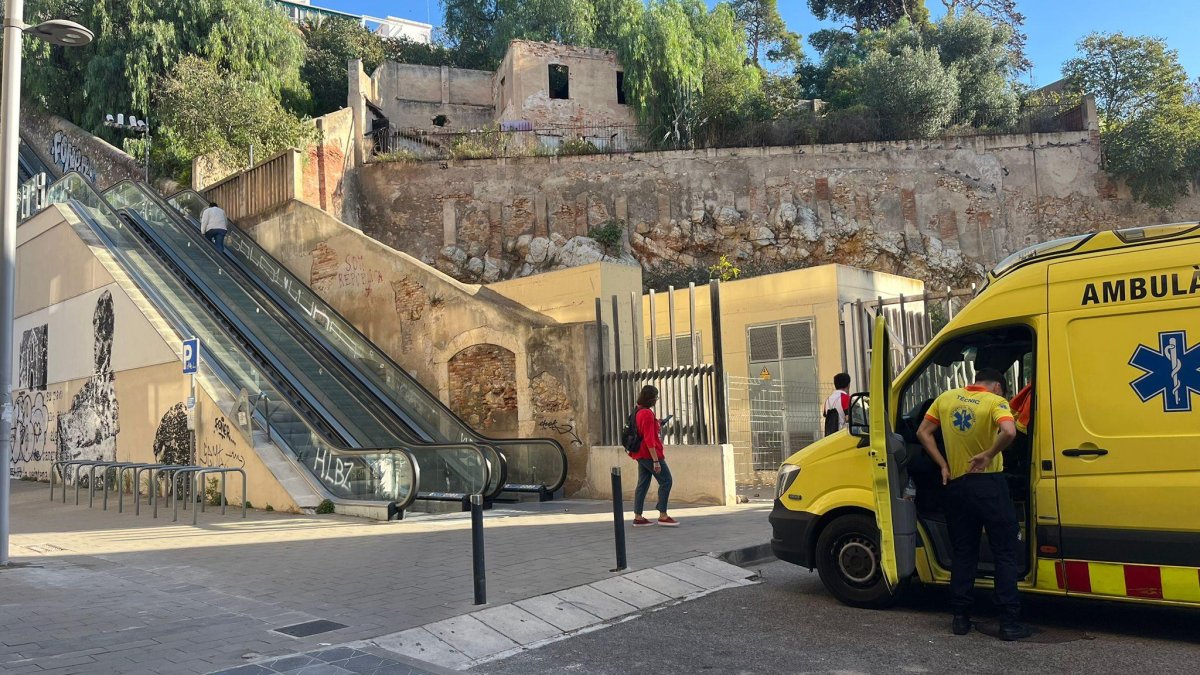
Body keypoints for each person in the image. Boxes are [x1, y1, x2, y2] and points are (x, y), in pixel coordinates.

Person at [915, 368, 1029, 641]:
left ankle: (960, 618)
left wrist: (943, 464)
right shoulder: (995, 402)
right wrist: (989, 454)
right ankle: (1009, 622)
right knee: (1004, 551)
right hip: (989, 485)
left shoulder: (946, 398)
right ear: (998, 387)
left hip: (956, 485)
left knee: (963, 551)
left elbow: (922, 432)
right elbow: (1010, 431)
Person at [630, 384, 678, 527]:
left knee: (643, 484)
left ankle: (638, 516)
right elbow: (649, 439)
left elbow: (644, 429)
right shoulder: (647, 414)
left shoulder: (638, 410)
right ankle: (663, 515)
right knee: (666, 481)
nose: (657, 399)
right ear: (651, 399)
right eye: (656, 397)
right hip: (650, 454)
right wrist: (656, 461)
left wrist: (659, 423)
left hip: (640, 453)